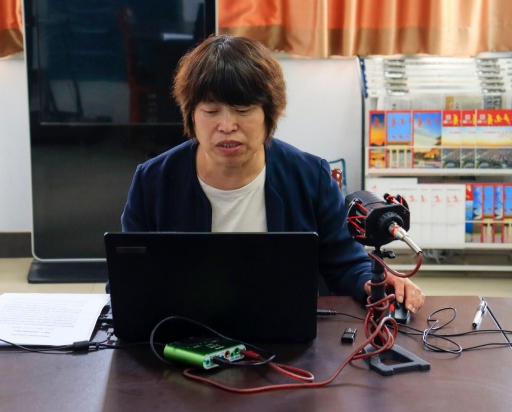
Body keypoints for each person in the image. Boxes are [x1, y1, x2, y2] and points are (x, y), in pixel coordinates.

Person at [120, 34, 425, 313]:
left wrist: (375, 282)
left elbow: (346, 263)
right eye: (211, 112)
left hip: (285, 335)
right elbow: (127, 280)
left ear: (269, 114)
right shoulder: (153, 181)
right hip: (182, 333)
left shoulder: (310, 177)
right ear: (191, 115)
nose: (227, 126)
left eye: (242, 111)